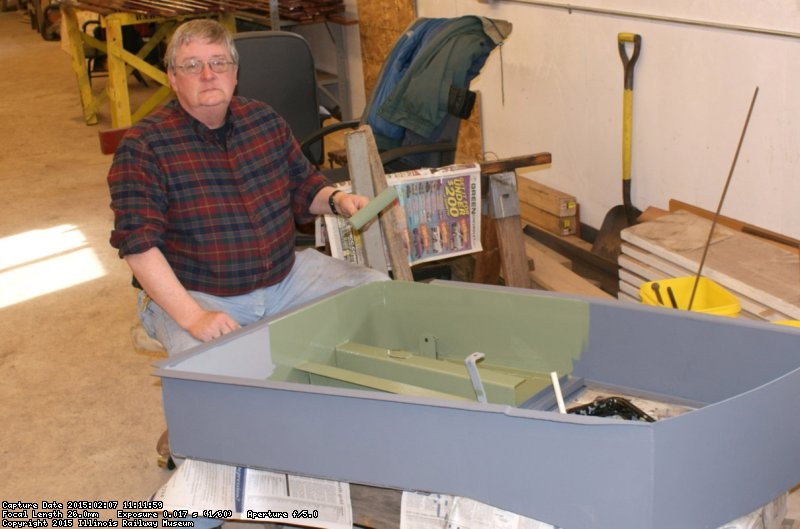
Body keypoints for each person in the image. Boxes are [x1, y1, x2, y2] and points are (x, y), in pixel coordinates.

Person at [108, 18, 388, 358]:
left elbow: (303, 185)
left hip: (285, 279)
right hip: (199, 293)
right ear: (172, 78)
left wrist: (338, 200)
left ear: (234, 73)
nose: (208, 74)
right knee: (207, 369)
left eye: (218, 63)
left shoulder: (264, 120)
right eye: (192, 66)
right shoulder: (143, 146)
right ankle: (162, 323)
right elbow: (138, 246)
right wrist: (194, 317)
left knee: (376, 293)